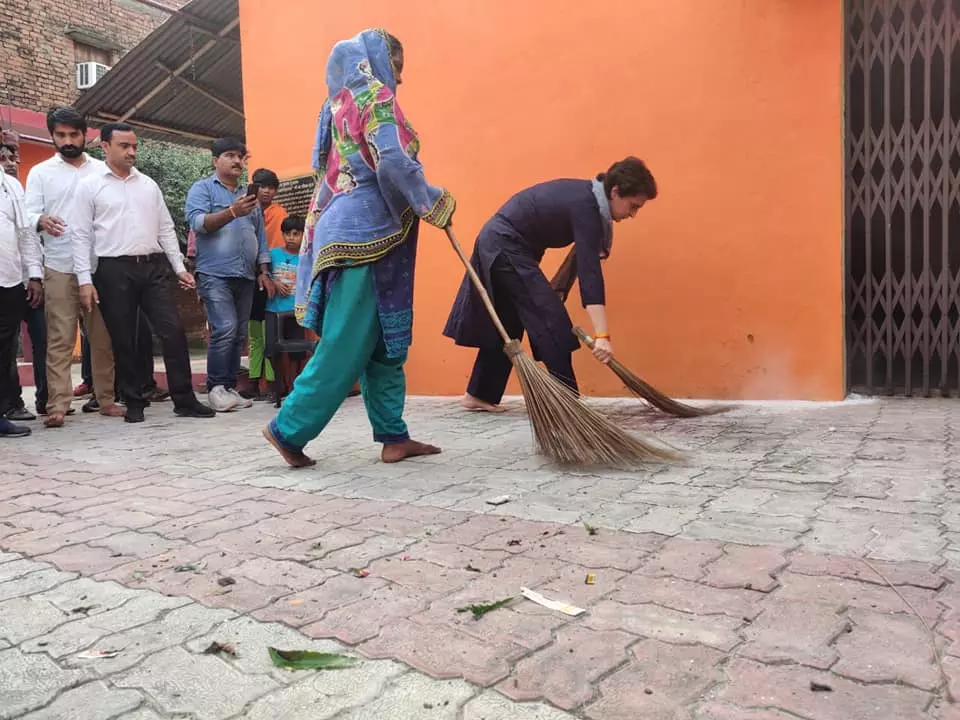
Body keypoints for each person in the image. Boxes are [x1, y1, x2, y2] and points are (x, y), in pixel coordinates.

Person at [263, 28, 455, 468]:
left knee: (386, 343)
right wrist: (432, 199)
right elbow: (392, 161)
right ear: (381, 60)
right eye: (398, 69)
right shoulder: (377, 97)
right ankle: (287, 428)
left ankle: (393, 435)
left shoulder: (335, 106)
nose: (400, 81)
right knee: (347, 342)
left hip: (348, 231)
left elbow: (325, 169)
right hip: (367, 236)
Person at [443, 157, 657, 412]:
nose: (632, 214)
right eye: (633, 206)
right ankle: (567, 402)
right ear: (615, 192)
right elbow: (590, 274)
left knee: (509, 321)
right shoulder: (586, 206)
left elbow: (577, 261)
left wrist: (558, 289)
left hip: (502, 245)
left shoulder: (589, 202)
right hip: (504, 244)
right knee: (551, 320)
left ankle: (480, 394)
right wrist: (602, 336)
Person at [71, 122, 214, 424]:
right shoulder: (90, 187)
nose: (131, 151)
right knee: (124, 338)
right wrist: (85, 280)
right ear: (105, 146)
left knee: (173, 331)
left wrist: (178, 268)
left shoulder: (148, 184)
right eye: (124, 146)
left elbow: (164, 227)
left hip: (153, 267)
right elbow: (81, 235)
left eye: (134, 146)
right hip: (113, 270)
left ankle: (184, 399)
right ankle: (133, 401)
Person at [25, 107, 122, 428]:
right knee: (60, 338)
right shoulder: (40, 172)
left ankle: (106, 399)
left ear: (85, 134)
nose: (67, 141)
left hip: (99, 266)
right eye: (61, 135)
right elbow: (27, 214)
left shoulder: (101, 170)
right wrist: (40, 219)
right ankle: (57, 406)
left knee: (103, 337)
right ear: (52, 136)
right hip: (59, 266)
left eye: (73, 134)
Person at [185, 138, 271, 413]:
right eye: (230, 155)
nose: (236, 161)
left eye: (240, 157)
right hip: (214, 273)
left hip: (246, 275)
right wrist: (232, 212)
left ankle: (229, 386)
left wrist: (263, 270)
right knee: (225, 328)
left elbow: (260, 235)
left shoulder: (249, 194)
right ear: (215, 161)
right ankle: (215, 388)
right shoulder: (202, 189)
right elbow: (198, 223)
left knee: (238, 334)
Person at [0, 161, 43, 437]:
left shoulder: (11, 185)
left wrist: (34, 275)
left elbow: (25, 234)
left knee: (3, 353)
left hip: (9, 280)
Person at [245, 167, 287, 399]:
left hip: (271, 277)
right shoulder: (243, 211)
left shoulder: (279, 214)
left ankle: (273, 383)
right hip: (247, 277)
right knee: (254, 334)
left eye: (271, 187)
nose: (267, 191)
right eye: (262, 186)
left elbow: (281, 249)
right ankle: (252, 381)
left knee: (270, 332)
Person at [264, 215, 305, 402]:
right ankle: (277, 386)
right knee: (273, 350)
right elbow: (263, 274)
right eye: (287, 233)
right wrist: (274, 282)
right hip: (273, 310)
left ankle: (294, 385)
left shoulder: (306, 259)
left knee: (297, 350)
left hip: (296, 311)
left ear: (303, 235)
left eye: (296, 234)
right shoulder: (273, 255)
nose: (291, 237)